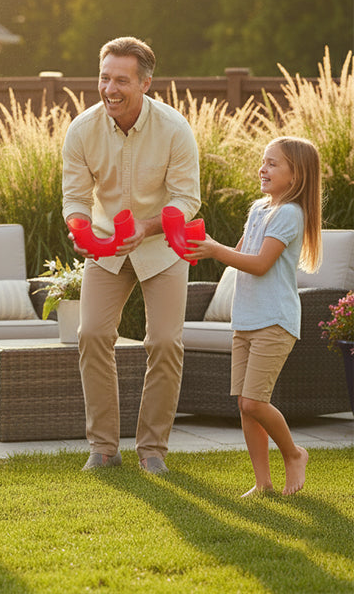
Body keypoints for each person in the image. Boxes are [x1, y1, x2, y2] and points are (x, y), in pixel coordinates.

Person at [62, 36, 200, 475]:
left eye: (121, 79)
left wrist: (149, 226)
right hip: (106, 249)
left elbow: (186, 198)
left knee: (163, 341)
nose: (110, 89)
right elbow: (75, 198)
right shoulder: (82, 130)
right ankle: (103, 447)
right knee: (92, 335)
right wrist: (79, 228)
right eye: (104, 78)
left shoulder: (174, 129)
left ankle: (152, 449)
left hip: (161, 247)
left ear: (145, 83)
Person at [185, 137, 321, 496]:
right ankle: (263, 483)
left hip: (274, 321)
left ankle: (294, 454)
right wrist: (209, 245)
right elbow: (241, 255)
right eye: (263, 162)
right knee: (245, 407)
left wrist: (215, 250)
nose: (263, 168)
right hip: (245, 320)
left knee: (253, 401)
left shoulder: (290, 213)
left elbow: (260, 265)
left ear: (296, 175)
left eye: (273, 164)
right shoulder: (259, 209)